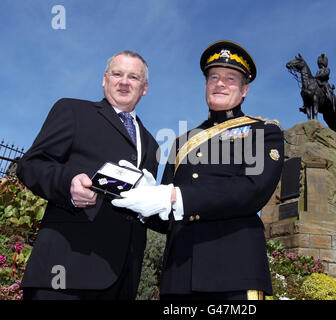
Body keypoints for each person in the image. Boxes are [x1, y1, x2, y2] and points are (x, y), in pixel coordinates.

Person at [112, 41, 284, 300]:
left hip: (233, 270)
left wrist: (173, 198)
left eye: (230, 78)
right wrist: (142, 200)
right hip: (180, 273)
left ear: (245, 89)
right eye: (214, 77)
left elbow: (253, 190)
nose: (220, 83)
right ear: (206, 85)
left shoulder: (262, 131)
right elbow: (169, 216)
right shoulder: (183, 142)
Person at [17, 50, 160, 300]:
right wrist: (68, 184)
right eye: (117, 74)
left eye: (133, 77)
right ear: (104, 80)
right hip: (65, 273)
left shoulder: (152, 144)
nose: (124, 81)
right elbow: (30, 164)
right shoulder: (73, 110)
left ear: (144, 87)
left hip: (123, 279)